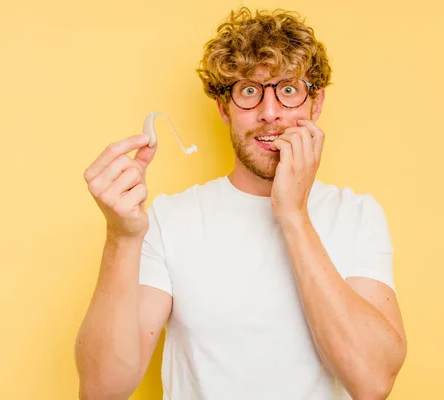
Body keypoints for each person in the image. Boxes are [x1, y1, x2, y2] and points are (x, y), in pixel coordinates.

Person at [75, 7, 407, 400]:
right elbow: (101, 390)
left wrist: (293, 215)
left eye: (288, 90)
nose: (269, 114)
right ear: (224, 108)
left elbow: (372, 383)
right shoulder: (170, 220)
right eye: (248, 91)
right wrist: (120, 237)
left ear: (315, 104)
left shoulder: (356, 214)